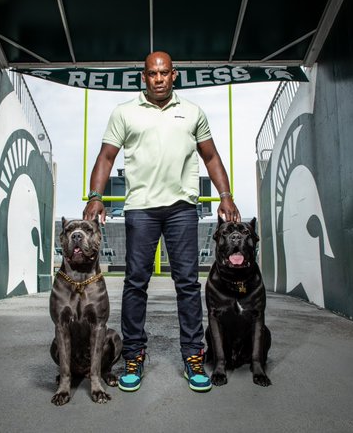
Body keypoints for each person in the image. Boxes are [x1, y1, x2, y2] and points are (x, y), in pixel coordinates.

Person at [83, 51, 240, 393]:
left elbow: (210, 156)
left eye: (164, 73)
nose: (158, 79)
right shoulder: (124, 112)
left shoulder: (193, 112)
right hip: (140, 208)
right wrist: (95, 195)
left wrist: (225, 194)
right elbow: (106, 156)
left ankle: (192, 356)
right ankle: (134, 356)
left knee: (186, 283)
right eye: (152, 74)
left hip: (182, 208)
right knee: (135, 283)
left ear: (174, 75)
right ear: (144, 77)